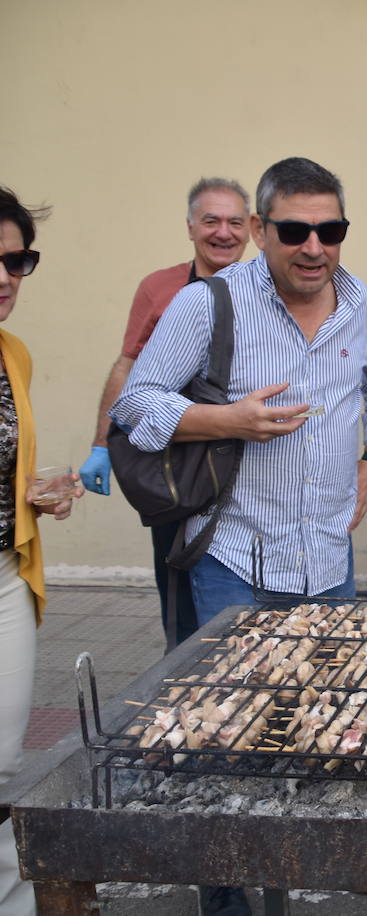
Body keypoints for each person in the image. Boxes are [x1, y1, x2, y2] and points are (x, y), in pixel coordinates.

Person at [112, 157, 367, 916]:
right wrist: (228, 420)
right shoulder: (210, 305)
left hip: (325, 560)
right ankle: (228, 898)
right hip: (231, 556)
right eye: (295, 230)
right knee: (224, 740)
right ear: (258, 231)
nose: (315, 246)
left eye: (330, 230)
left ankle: (287, 875)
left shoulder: (360, 303)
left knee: (313, 725)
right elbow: (137, 402)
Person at [79, 178, 251, 649]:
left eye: (235, 221)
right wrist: (101, 445)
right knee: (178, 583)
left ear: (252, 229)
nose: (224, 232)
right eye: (211, 220)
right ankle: (182, 675)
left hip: (247, 461)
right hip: (176, 461)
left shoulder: (267, 290)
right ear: (191, 226)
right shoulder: (160, 287)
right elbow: (128, 364)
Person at [0, 187, 83, 916]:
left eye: (17, 261)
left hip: (4, 578)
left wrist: (36, 492)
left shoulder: (12, 356)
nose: (4, 278)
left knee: (2, 767)